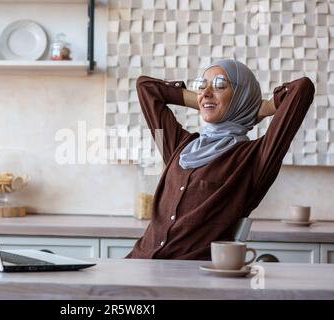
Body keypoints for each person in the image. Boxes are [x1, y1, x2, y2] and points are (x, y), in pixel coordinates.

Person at [126, 59, 315, 260]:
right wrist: (205, 100)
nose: (206, 91)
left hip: (190, 276)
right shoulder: (178, 146)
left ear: (241, 98)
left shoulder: (255, 158)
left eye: (219, 85)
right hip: (140, 261)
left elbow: (302, 89)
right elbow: (146, 87)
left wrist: (261, 107)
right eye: (202, 85)